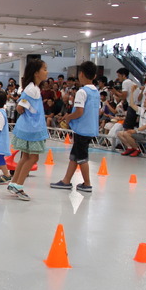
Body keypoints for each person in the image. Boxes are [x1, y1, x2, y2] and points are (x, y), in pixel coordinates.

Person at [50, 61, 100, 193]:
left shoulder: (82, 92)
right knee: (75, 155)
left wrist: (68, 117)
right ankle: (66, 180)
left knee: (82, 157)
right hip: (91, 128)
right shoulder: (96, 92)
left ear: (81, 74)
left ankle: (87, 183)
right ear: (94, 76)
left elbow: (79, 112)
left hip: (82, 129)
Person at [8, 58, 49, 201]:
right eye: (44, 69)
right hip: (32, 129)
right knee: (33, 157)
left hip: (28, 127)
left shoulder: (32, 88)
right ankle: (19, 186)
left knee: (25, 157)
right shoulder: (32, 90)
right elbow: (20, 108)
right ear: (36, 73)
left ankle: (14, 183)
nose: (46, 72)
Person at [117, 88, 146, 157]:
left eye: (145, 100)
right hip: (139, 132)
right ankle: (130, 148)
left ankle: (137, 149)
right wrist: (131, 92)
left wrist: (135, 130)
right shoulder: (142, 110)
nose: (144, 101)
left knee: (126, 134)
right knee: (119, 133)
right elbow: (132, 104)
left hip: (145, 134)